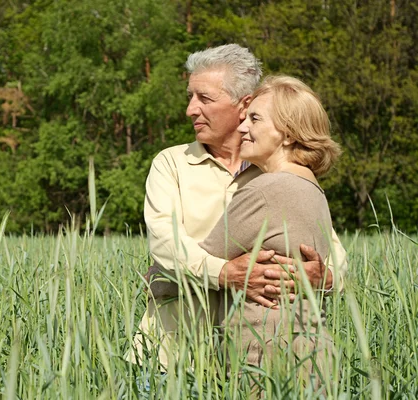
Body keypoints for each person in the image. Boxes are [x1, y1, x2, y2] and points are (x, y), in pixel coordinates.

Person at [127, 44, 347, 369]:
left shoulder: (279, 175)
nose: (190, 109)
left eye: (204, 98)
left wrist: (322, 278)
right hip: (171, 356)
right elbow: (164, 243)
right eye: (190, 96)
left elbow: (335, 259)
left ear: (243, 106)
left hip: (245, 361)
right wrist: (225, 273)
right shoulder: (170, 163)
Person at [200, 75, 341, 380]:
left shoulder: (268, 189)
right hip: (312, 357)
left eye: (254, 118)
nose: (241, 127)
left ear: (288, 135)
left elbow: (199, 265)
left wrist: (154, 275)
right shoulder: (312, 188)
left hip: (265, 361)